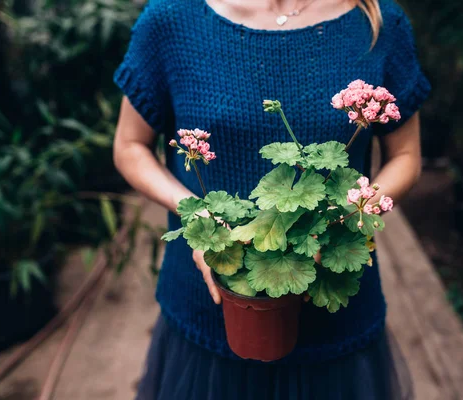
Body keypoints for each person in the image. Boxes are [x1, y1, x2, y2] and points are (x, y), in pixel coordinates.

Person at [113, 0, 430, 398]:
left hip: (335, 322)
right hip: (206, 316)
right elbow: (129, 146)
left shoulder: (378, 22)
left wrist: (343, 217)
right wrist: (198, 218)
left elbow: (406, 157)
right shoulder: (171, 19)